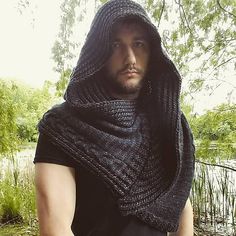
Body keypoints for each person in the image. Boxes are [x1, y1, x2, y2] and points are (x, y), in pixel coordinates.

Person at [34, 0, 195, 235]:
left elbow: (180, 202)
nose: (130, 58)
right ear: (97, 53)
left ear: (152, 52)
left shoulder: (168, 121)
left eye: (138, 44)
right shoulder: (62, 127)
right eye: (115, 45)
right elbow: (55, 227)